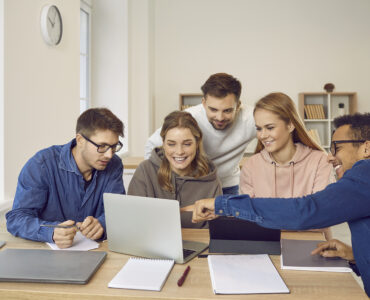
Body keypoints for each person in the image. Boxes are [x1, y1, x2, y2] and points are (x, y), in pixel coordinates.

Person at [190, 113, 370, 297]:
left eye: (336, 148)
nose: (331, 157)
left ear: (367, 147)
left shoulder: (365, 173)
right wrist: (357, 255)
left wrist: (225, 204)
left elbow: (305, 211)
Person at [6, 108, 125, 248]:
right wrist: (50, 232)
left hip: (97, 254)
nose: (109, 155)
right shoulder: (42, 165)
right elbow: (17, 219)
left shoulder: (114, 165)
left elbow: (118, 213)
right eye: (102, 146)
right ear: (80, 140)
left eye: (114, 146)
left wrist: (102, 224)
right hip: (45, 256)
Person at [240, 92, 334, 240]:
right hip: (266, 243)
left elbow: (319, 214)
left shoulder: (320, 161)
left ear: (290, 125)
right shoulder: (251, 165)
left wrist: (268, 214)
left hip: (313, 243)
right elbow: (250, 216)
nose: (263, 135)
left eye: (270, 127)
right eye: (259, 128)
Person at [144, 73, 256, 195]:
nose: (220, 117)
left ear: (238, 105)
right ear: (203, 103)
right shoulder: (190, 118)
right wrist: (162, 180)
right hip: (195, 184)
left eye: (227, 111)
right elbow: (152, 145)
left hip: (228, 184)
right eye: (213, 110)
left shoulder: (251, 118)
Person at [129, 111, 222, 228]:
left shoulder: (211, 180)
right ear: (163, 144)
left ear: (197, 143)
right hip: (152, 244)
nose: (179, 151)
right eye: (171, 144)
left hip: (199, 244)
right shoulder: (145, 171)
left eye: (187, 144)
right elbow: (133, 221)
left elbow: (215, 230)